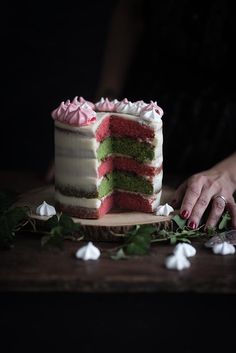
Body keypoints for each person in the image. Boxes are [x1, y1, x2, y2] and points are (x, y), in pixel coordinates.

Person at [95, 0, 236, 229]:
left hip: (225, 141)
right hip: (146, 108)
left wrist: (229, 174)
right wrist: (103, 108)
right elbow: (131, 10)